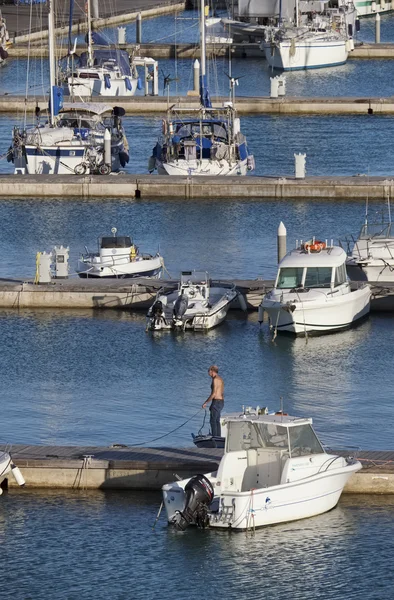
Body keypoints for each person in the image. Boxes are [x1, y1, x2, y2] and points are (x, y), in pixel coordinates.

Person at [202, 365, 224, 438]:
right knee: (217, 420)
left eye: (209, 372)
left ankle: (215, 438)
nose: (208, 374)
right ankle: (218, 437)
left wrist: (206, 402)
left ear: (212, 371)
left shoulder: (215, 380)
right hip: (221, 402)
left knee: (213, 421)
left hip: (216, 402)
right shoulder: (220, 379)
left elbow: (214, 394)